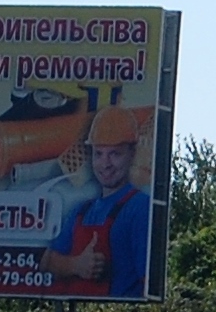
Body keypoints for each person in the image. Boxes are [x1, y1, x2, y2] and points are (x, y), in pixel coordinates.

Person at [40, 106, 151, 299]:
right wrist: (76, 265)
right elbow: (47, 263)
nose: (105, 164)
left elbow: (148, 281)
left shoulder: (140, 208)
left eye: (115, 154)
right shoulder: (81, 211)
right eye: (99, 154)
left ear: (132, 153)